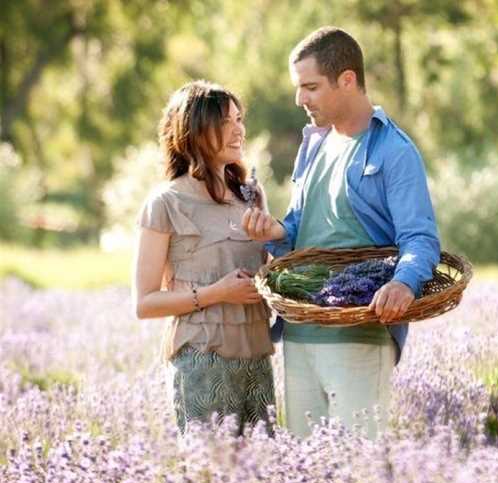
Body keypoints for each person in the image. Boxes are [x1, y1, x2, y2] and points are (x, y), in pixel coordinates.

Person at [242, 27, 440, 439]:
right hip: (299, 331)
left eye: (310, 87)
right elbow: (300, 229)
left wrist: (404, 283)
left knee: (359, 466)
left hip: (359, 335)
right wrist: (276, 230)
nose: (300, 99)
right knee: (304, 468)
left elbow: (419, 238)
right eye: (299, 88)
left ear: (347, 80)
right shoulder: (314, 146)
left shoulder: (393, 151)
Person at [134, 80, 276, 436]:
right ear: (194, 131)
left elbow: (267, 272)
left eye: (239, 118)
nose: (238, 129)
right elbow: (145, 303)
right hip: (201, 357)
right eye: (225, 121)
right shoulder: (166, 202)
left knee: (263, 475)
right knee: (210, 477)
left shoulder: (251, 194)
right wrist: (217, 293)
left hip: (257, 354)